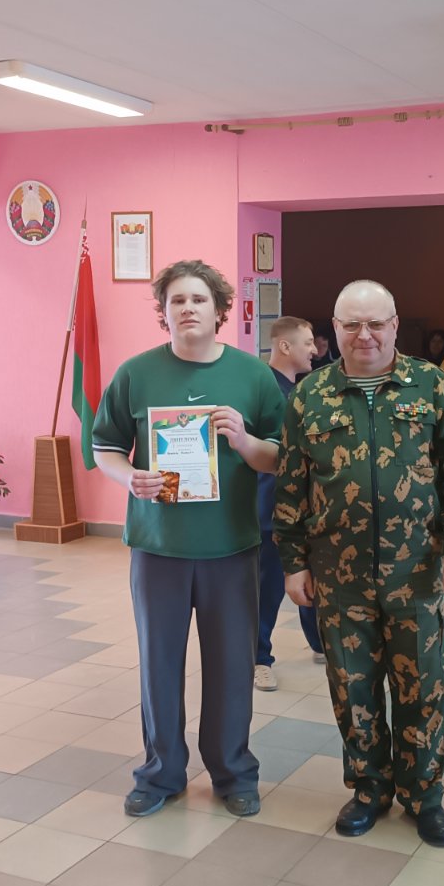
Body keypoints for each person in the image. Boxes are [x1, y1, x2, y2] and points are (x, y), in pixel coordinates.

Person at [274, 280, 444, 848]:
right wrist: (293, 562)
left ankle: (424, 795)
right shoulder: (311, 395)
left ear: (394, 325)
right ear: (334, 329)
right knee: (353, 688)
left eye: (375, 323)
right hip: (337, 575)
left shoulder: (431, 386)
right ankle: (369, 789)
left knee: (424, 686)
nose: (364, 335)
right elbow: (292, 483)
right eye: (351, 324)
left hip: (416, 570)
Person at [90, 260, 285, 818]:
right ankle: (161, 774)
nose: (188, 308)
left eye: (198, 299)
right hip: (159, 547)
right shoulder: (136, 374)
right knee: (159, 665)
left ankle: (233, 773)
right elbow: (104, 447)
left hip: (231, 546)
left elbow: (280, 455)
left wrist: (244, 441)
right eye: (177, 300)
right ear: (164, 311)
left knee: (231, 667)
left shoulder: (253, 376)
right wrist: (130, 478)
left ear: (220, 309)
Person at [254, 316, 324, 692]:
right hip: (269, 508)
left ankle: (320, 643)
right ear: (284, 346)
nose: (314, 350)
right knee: (268, 589)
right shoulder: (263, 389)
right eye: (307, 343)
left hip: (305, 509)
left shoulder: (300, 391)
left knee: (311, 576)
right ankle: (258, 659)